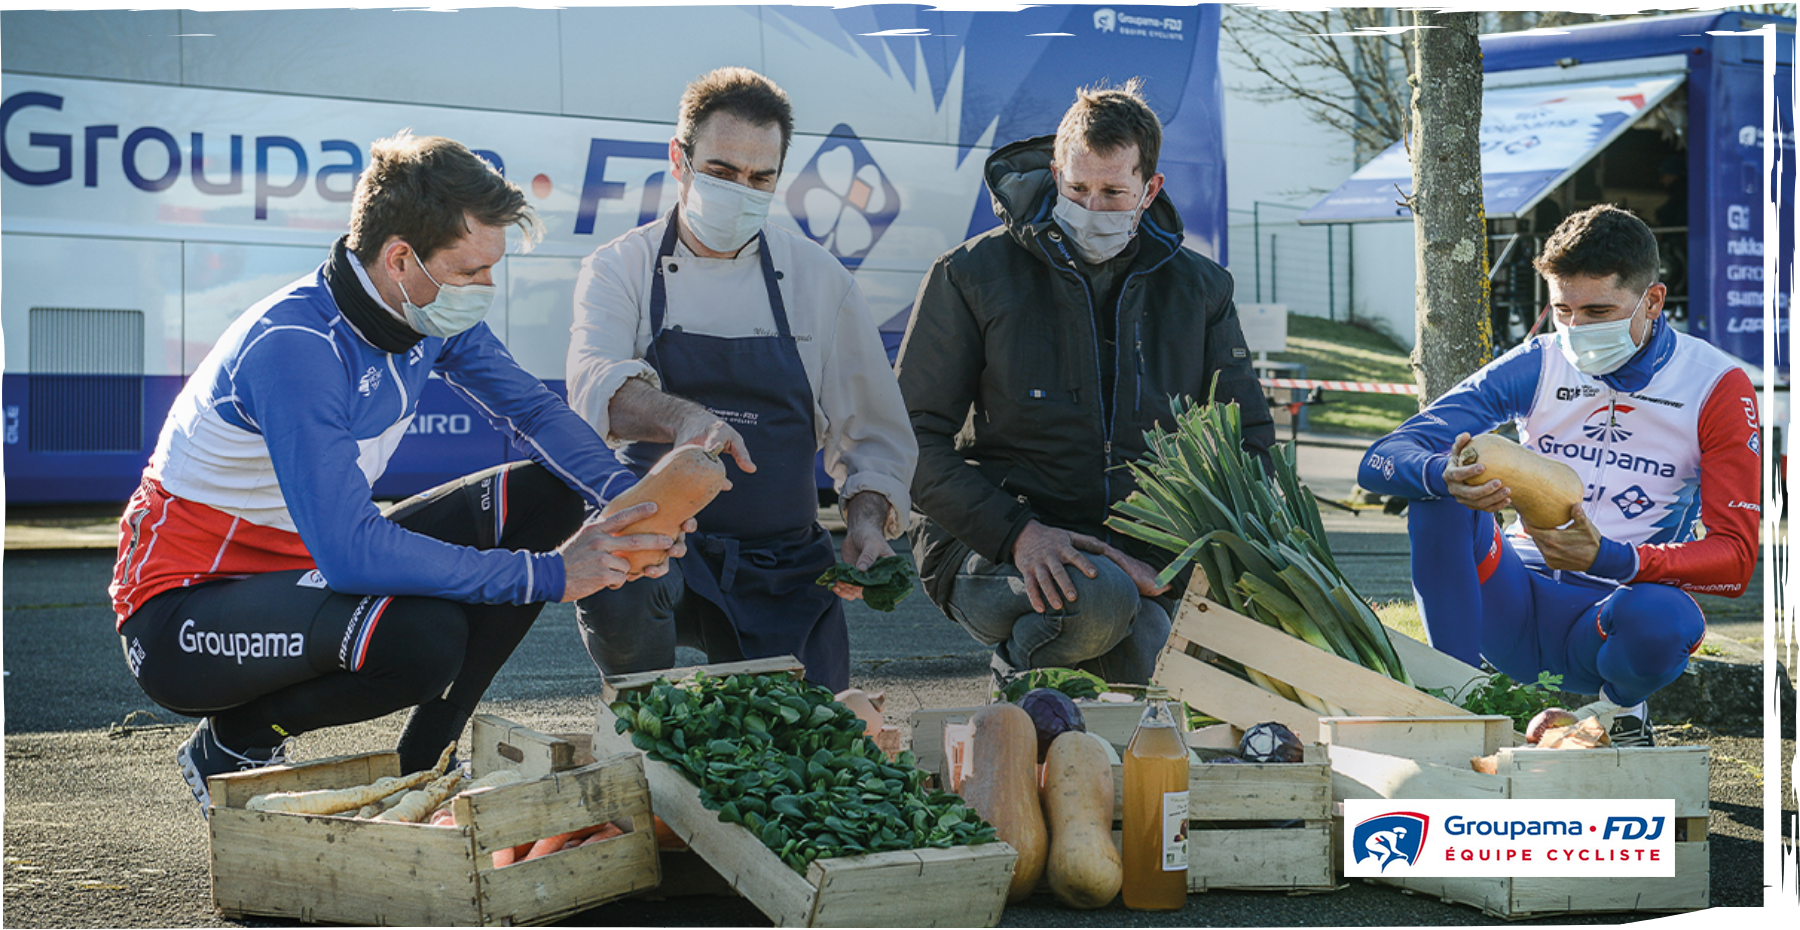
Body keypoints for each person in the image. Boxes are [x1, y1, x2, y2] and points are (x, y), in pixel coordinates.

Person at [109, 131, 684, 814]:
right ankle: (232, 741)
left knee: (549, 494)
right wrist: (553, 575)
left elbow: (531, 409)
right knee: (422, 640)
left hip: (304, 572)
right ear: (400, 258)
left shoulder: (425, 309)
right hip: (182, 613)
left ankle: (426, 767)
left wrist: (634, 506)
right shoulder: (295, 349)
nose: (486, 290)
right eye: (472, 271)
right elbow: (352, 553)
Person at [897, 79, 1275, 686]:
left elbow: (1248, 440)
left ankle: (1065, 716)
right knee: (1097, 606)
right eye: (1076, 188)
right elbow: (908, 439)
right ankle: (1016, 688)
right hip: (988, 544)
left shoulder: (1202, 291)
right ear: (1055, 172)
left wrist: (1211, 556)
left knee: (1163, 665)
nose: (1091, 209)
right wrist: (1019, 533)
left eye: (1113, 192)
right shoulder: (969, 275)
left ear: (1149, 190)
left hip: (1141, 554)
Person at [566, 67, 916, 693]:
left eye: (761, 178)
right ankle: (637, 720)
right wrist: (683, 419)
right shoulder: (621, 267)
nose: (741, 191)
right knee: (620, 590)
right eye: (723, 172)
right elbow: (597, 388)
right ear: (680, 160)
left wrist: (866, 519)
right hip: (660, 548)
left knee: (803, 752)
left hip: (783, 563)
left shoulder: (819, 280)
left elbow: (874, 435)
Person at [1358, 204, 1760, 746]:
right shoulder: (1540, 360)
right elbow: (1380, 459)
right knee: (1442, 491)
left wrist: (1611, 558)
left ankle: (1618, 714)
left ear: (1654, 301)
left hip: (1606, 620)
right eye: (1563, 310)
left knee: (1666, 619)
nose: (1577, 330)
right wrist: (1439, 473)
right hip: (1510, 595)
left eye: (1598, 310)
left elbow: (1735, 561)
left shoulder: (1716, 384)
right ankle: (1450, 707)